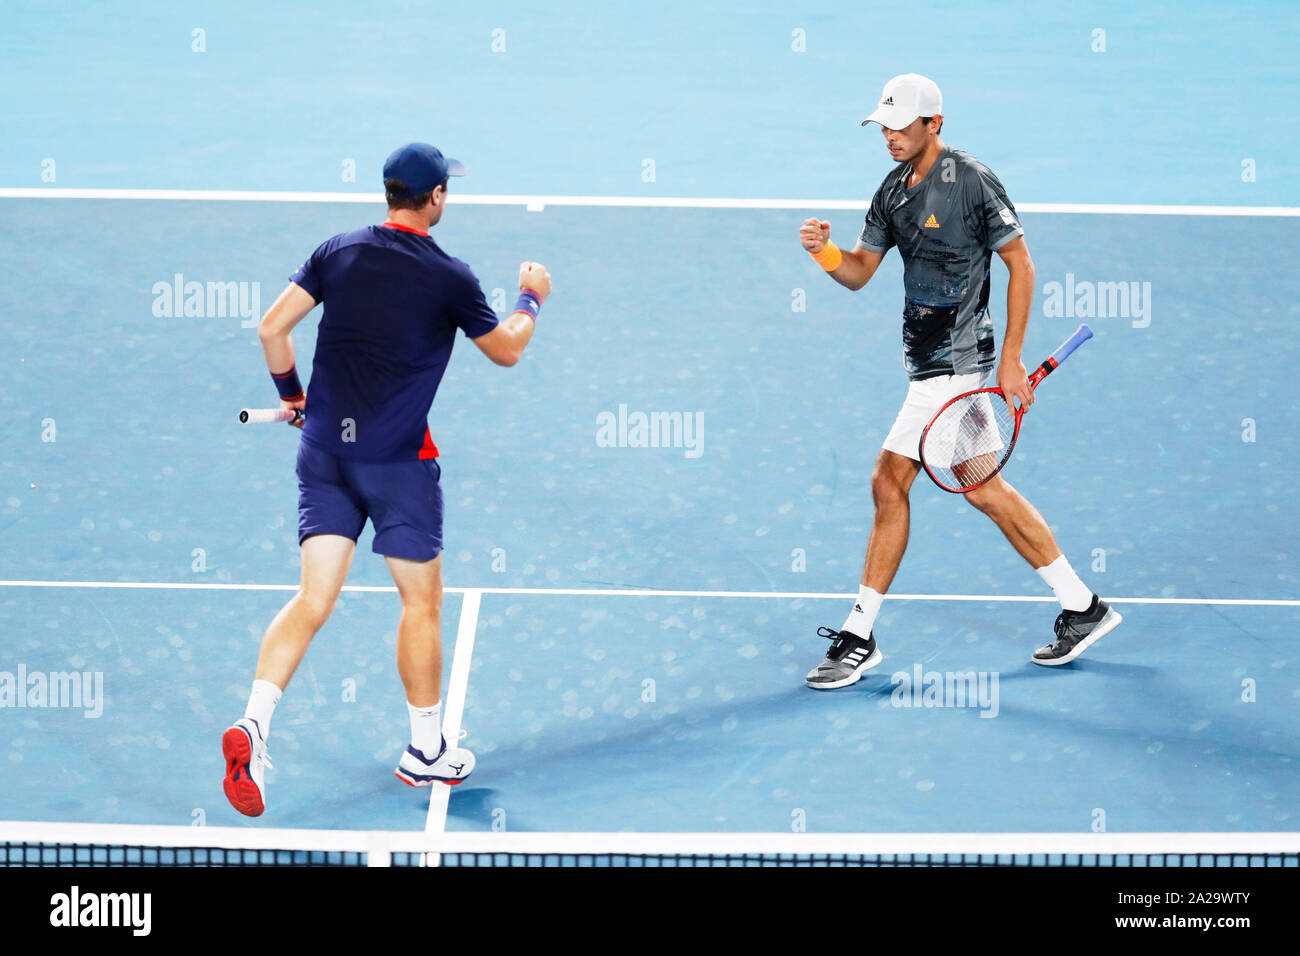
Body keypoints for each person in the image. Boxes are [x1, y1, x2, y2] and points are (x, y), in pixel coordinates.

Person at [222, 143, 552, 815]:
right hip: (398, 463)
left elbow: (272, 330)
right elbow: (508, 351)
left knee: (313, 599)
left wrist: (292, 397)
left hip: (322, 455)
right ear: (435, 198)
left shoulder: (337, 250)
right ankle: (426, 749)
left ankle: (253, 724)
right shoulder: (450, 276)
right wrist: (531, 297)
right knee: (420, 602)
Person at [799, 74, 1120, 690]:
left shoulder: (971, 179)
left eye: (901, 125)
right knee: (982, 488)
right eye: (884, 126)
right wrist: (825, 253)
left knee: (888, 478)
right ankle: (1083, 606)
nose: (889, 136)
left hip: (959, 364)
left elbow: (1020, 263)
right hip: (926, 363)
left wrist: (1012, 360)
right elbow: (862, 271)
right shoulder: (892, 190)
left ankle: (859, 634)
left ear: (933, 125)